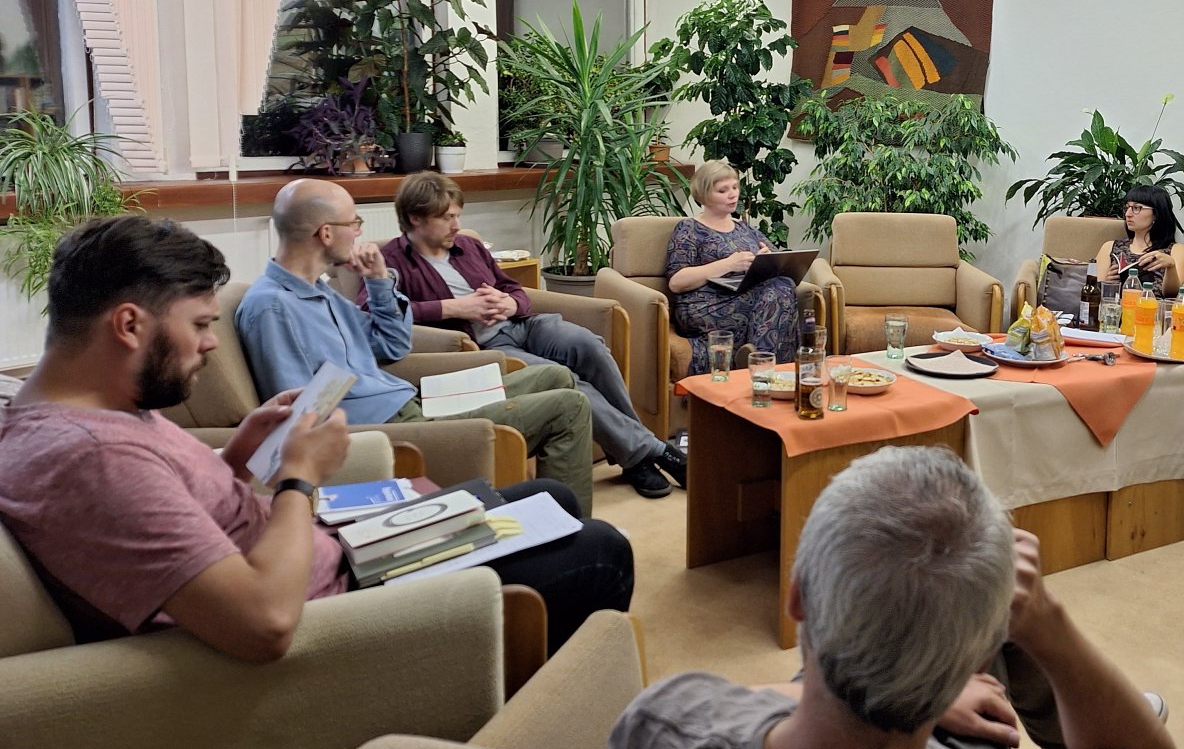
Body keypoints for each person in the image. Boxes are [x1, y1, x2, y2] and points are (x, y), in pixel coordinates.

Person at [0, 215, 632, 658]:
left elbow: (181, 504)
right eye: (198, 325)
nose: (211, 344)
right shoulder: (93, 455)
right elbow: (265, 623)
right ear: (129, 325)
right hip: (336, 605)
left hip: (333, 555)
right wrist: (299, 478)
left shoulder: (97, 412)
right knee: (601, 548)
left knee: (552, 500)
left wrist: (240, 454)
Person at [608, 446, 1181, 749]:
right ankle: (1063, 748)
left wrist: (888, 682)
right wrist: (1046, 622)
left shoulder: (660, 725)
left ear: (796, 596)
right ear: (980, 661)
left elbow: (748, 702)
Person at [235, 179, 599, 516]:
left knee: (555, 375)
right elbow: (300, 417)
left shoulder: (318, 292)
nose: (360, 232)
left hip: (409, 401)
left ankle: (549, 517)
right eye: (354, 222)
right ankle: (571, 530)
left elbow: (393, 346)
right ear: (326, 233)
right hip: (394, 427)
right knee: (569, 407)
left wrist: (379, 281)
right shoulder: (273, 308)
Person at [379, 172, 686, 500]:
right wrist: (454, 308)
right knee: (564, 378)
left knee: (590, 346)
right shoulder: (391, 261)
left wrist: (510, 302)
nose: (457, 225)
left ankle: (635, 452)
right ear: (416, 218)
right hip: (483, 347)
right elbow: (379, 315)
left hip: (522, 324)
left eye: (458, 215)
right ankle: (648, 454)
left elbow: (512, 287)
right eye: (447, 218)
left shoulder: (468, 246)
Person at [666, 160, 798, 372]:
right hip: (707, 304)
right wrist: (728, 264)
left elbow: (779, 260)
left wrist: (767, 258)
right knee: (780, 291)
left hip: (747, 296)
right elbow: (676, 282)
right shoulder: (689, 228)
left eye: (735, 187)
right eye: (723, 190)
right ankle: (762, 368)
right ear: (704, 194)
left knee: (783, 285)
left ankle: (757, 359)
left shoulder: (745, 228)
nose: (732, 194)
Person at [1095, 185, 1184, 297]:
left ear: (1156, 213)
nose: (1128, 214)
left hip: (1155, 306)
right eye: (1127, 208)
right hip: (1118, 306)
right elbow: (1092, 292)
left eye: (1136, 208)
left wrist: (1171, 267)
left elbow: (1172, 294)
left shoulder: (1176, 250)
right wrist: (1107, 284)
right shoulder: (1109, 247)